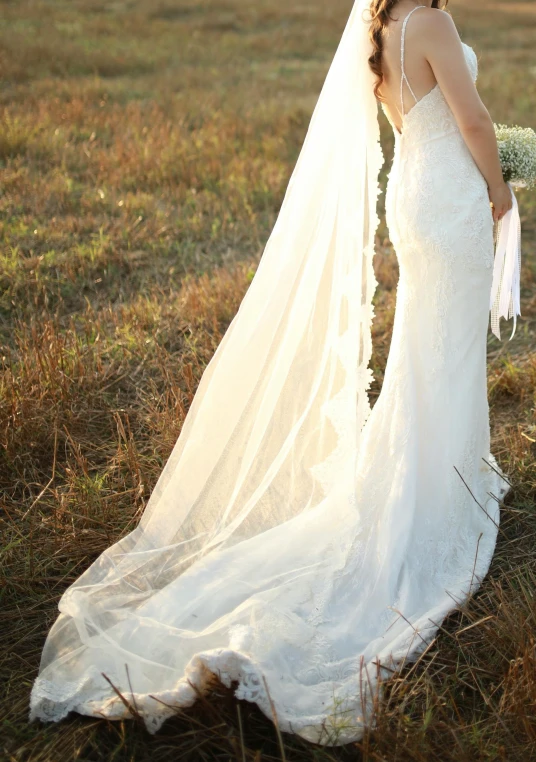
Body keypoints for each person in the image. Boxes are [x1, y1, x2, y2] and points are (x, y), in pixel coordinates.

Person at [29, 0, 514, 746]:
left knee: (424, 348)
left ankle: (430, 471)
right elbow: (473, 121)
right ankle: (438, 495)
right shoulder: (434, 24)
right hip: (449, 197)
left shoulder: (378, 30)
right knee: (441, 351)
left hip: (413, 198)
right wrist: (501, 187)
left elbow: (413, 124)